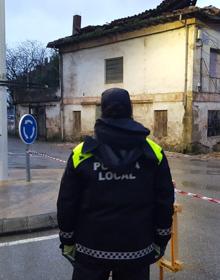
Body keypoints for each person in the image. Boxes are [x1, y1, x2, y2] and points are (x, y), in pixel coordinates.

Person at [57, 88, 174, 280]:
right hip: (137, 250)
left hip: (90, 250)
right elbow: (164, 201)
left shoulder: (82, 153)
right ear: (130, 110)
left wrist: (67, 240)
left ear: (102, 111)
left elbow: (67, 202)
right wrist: (161, 240)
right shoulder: (153, 153)